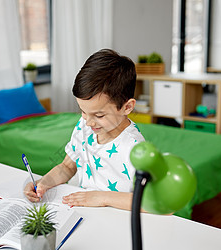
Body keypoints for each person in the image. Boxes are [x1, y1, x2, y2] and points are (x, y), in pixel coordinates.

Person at [24, 49, 145, 210]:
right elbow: (67, 167)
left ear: (127, 107)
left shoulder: (136, 148)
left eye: (99, 115)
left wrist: (101, 197)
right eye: (83, 111)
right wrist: (43, 183)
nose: (88, 122)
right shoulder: (84, 126)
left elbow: (156, 204)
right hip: (82, 214)